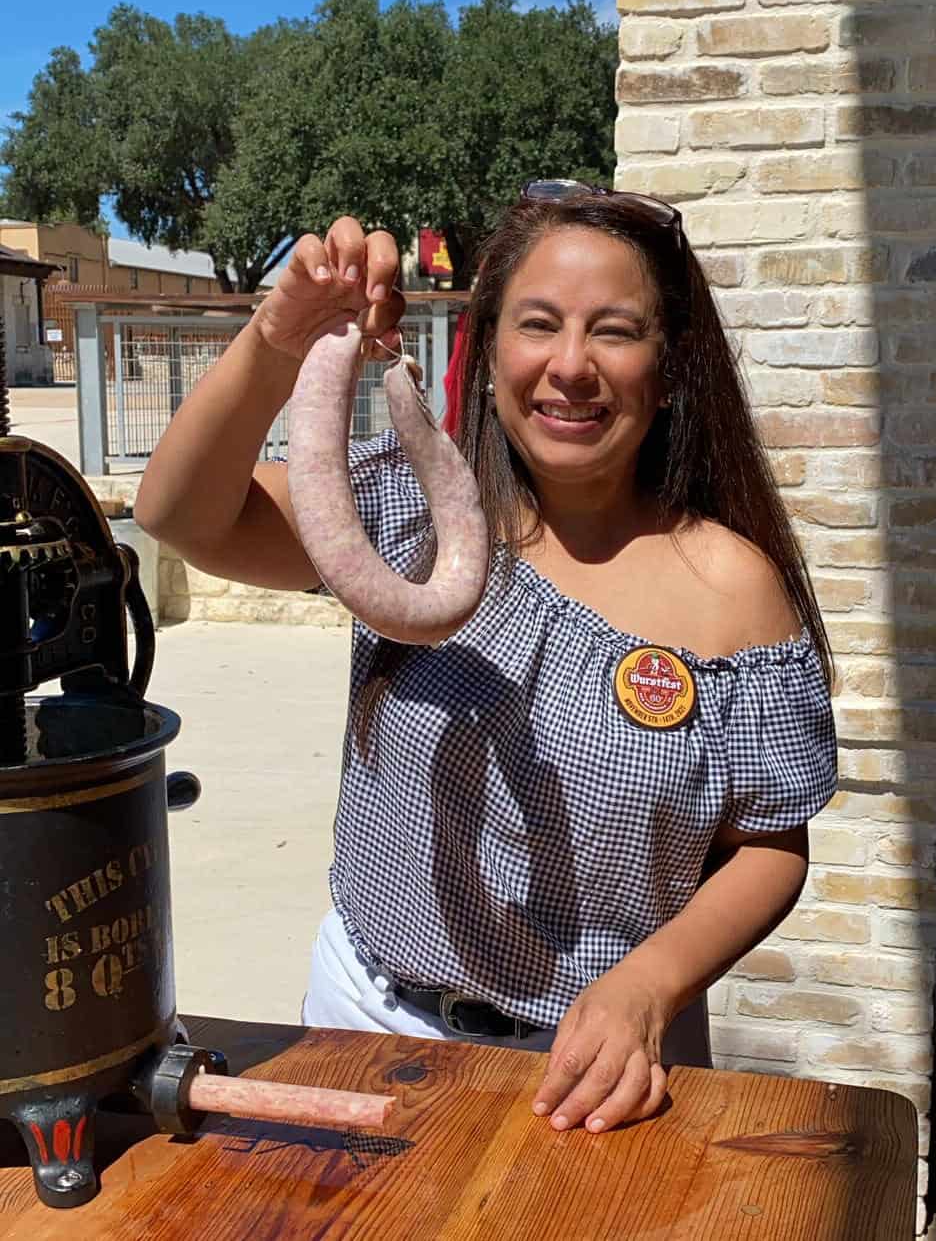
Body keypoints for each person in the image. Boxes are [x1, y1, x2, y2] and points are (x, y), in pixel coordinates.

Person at [135, 183, 836, 1138]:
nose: (571, 367)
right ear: (490, 348)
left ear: (670, 369)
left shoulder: (735, 588)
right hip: (364, 1021)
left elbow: (769, 845)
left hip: (595, 1075)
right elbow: (179, 514)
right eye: (537, 324)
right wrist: (280, 337)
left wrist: (649, 985)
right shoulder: (405, 509)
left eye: (617, 332)